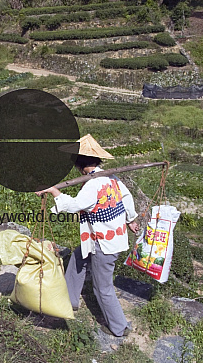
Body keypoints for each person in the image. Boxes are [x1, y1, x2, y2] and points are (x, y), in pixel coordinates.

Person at [35, 134, 139, 337]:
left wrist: (55, 192)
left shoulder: (93, 184)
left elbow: (75, 205)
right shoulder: (111, 177)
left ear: (79, 165)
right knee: (78, 257)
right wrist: (131, 220)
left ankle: (119, 327)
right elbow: (127, 199)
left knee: (103, 288)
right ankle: (70, 299)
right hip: (104, 237)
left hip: (104, 243)